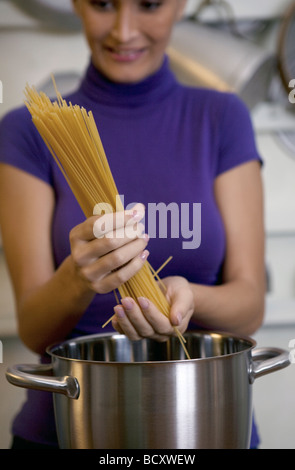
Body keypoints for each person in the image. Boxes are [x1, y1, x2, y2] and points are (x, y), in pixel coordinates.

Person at [0, 0, 265, 449]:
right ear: (77, 4)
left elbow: (250, 305)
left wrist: (188, 298)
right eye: (103, 4)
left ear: (179, 5)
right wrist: (78, 277)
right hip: (70, 424)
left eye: (149, 5)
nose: (123, 31)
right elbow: (34, 332)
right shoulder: (30, 130)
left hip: (207, 423)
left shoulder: (223, 118)